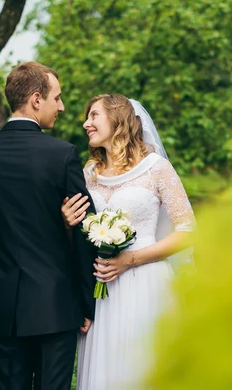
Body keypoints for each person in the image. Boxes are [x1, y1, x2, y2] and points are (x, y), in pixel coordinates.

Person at [0, 62, 97, 390]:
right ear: (37, 99)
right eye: (57, 98)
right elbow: (86, 232)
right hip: (55, 304)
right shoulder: (62, 154)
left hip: (2, 304)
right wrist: (87, 302)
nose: (62, 107)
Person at [61, 94, 196, 389]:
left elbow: (188, 229)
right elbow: (78, 236)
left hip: (145, 284)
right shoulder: (89, 173)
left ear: (117, 118)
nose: (86, 124)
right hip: (101, 291)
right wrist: (68, 223)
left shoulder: (156, 168)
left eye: (94, 116)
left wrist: (130, 259)